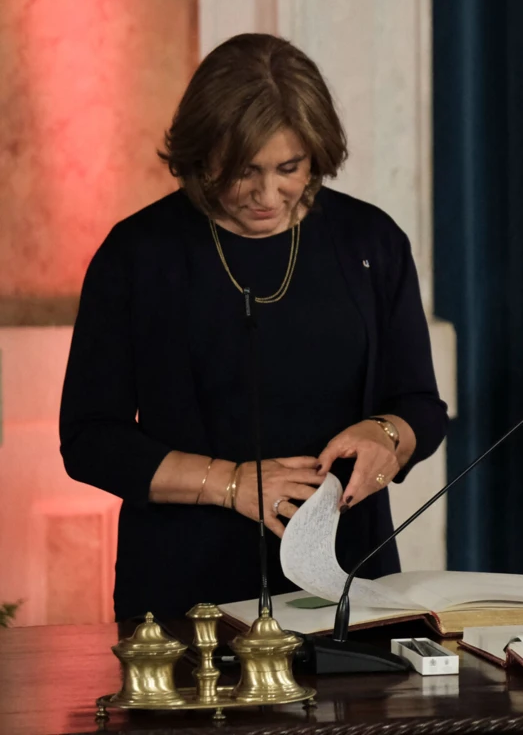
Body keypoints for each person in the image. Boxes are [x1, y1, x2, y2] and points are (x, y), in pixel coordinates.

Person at [60, 33, 447, 620]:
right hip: (183, 592)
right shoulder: (138, 254)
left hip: (346, 583)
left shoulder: (371, 243)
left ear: (316, 153)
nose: (268, 195)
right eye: (244, 172)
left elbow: (420, 404)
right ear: (201, 155)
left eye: (289, 168)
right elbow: (90, 440)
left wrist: (387, 436)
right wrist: (233, 484)